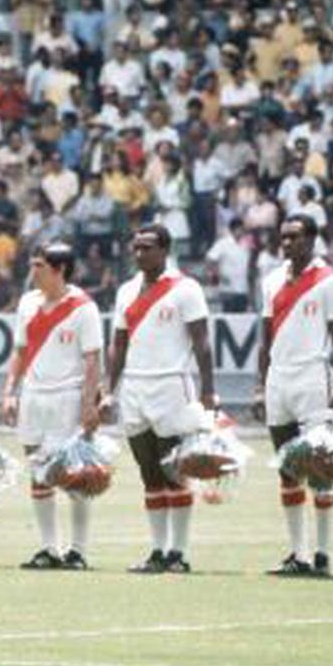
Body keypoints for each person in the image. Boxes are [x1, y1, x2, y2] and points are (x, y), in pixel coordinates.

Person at [102, 223, 215, 574]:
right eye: (136, 248)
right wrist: (109, 389)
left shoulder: (186, 289)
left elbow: (201, 342)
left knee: (175, 472)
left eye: (147, 248)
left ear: (165, 250)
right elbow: (119, 343)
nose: (140, 254)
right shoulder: (126, 291)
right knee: (148, 473)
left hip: (171, 385)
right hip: (135, 387)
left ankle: (178, 553)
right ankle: (157, 550)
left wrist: (209, 389)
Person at [253, 213, 333, 577]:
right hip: (279, 377)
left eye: (295, 237)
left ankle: (323, 553)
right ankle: (299, 553)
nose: (288, 243)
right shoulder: (272, 281)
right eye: (284, 237)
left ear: (312, 240)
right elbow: (265, 339)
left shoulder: (330, 282)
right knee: (287, 468)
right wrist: (260, 385)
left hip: (313, 375)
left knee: (321, 467)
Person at [1, 242, 103, 570]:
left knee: (75, 476)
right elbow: (19, 350)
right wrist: (9, 390)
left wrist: (90, 405)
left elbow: (92, 361)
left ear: (60, 270)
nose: (32, 272)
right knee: (39, 473)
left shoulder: (83, 307)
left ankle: (78, 551)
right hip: (33, 394)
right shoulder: (28, 304)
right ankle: (49, 548)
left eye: (39, 266)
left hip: (67, 397)